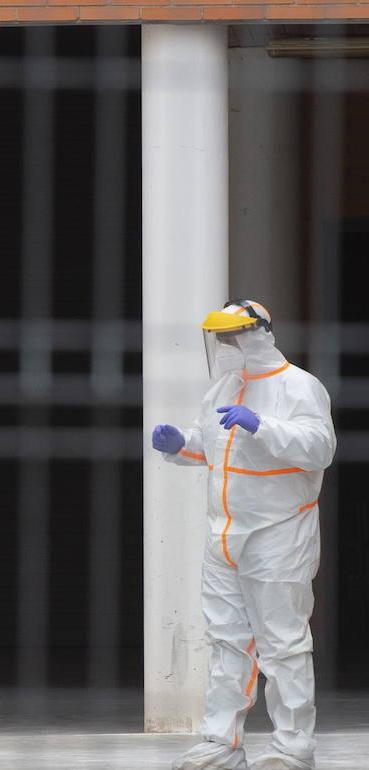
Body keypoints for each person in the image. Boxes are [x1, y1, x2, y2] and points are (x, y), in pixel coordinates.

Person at [152, 300, 335, 770]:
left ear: (259, 334)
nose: (225, 347)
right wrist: (181, 445)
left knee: (284, 642)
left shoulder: (299, 387)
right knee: (227, 640)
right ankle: (221, 742)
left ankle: (293, 750)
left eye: (232, 337)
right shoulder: (222, 389)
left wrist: (264, 426)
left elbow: (320, 448)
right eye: (219, 339)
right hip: (224, 535)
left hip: (279, 534)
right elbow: (212, 449)